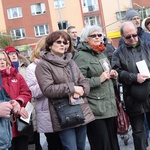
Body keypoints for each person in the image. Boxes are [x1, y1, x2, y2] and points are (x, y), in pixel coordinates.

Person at [35, 30, 94, 150]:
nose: (63, 44)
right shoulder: (43, 65)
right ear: (50, 45)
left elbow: (83, 81)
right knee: (70, 147)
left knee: (81, 147)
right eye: (59, 42)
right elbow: (47, 89)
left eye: (66, 42)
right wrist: (72, 89)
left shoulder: (71, 61)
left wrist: (82, 89)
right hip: (63, 112)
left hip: (80, 108)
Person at [73, 25, 120, 150]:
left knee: (113, 144)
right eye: (93, 35)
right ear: (85, 38)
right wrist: (99, 79)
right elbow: (78, 82)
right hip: (94, 108)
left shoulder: (101, 53)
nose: (98, 37)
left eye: (99, 35)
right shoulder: (81, 56)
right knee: (101, 144)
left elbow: (106, 74)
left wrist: (113, 75)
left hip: (108, 106)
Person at [111, 21, 150, 150]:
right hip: (132, 97)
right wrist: (134, 77)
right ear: (122, 37)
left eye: (134, 34)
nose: (132, 38)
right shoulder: (118, 53)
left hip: (149, 91)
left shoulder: (147, 46)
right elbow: (117, 72)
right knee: (138, 132)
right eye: (128, 37)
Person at [26, 36, 63, 150]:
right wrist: (47, 83)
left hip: (62, 108)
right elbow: (32, 91)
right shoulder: (32, 68)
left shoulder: (59, 63)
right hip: (46, 111)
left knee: (66, 143)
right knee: (53, 143)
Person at [0, 50, 32, 150]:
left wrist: (19, 103)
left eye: (4, 59)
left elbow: (26, 93)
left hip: (19, 125)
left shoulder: (17, 76)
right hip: (3, 128)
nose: (2, 62)